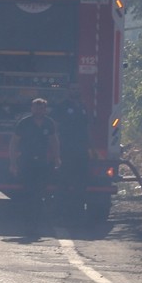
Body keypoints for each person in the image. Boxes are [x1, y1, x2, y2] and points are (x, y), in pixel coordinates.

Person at [9, 98, 60, 237]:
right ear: (31, 108)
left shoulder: (49, 123)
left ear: (45, 109)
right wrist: (13, 163)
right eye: (36, 107)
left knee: (39, 195)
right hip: (26, 163)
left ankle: (35, 225)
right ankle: (28, 224)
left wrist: (57, 158)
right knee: (28, 194)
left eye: (42, 108)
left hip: (42, 163)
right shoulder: (24, 123)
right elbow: (14, 143)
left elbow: (54, 141)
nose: (39, 110)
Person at [54, 84, 92, 222]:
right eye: (72, 89)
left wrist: (91, 147)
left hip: (81, 150)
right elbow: (55, 129)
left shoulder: (82, 107)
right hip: (66, 149)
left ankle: (78, 214)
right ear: (67, 91)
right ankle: (61, 215)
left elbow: (86, 127)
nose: (75, 91)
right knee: (64, 183)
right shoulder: (62, 107)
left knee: (81, 183)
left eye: (77, 89)